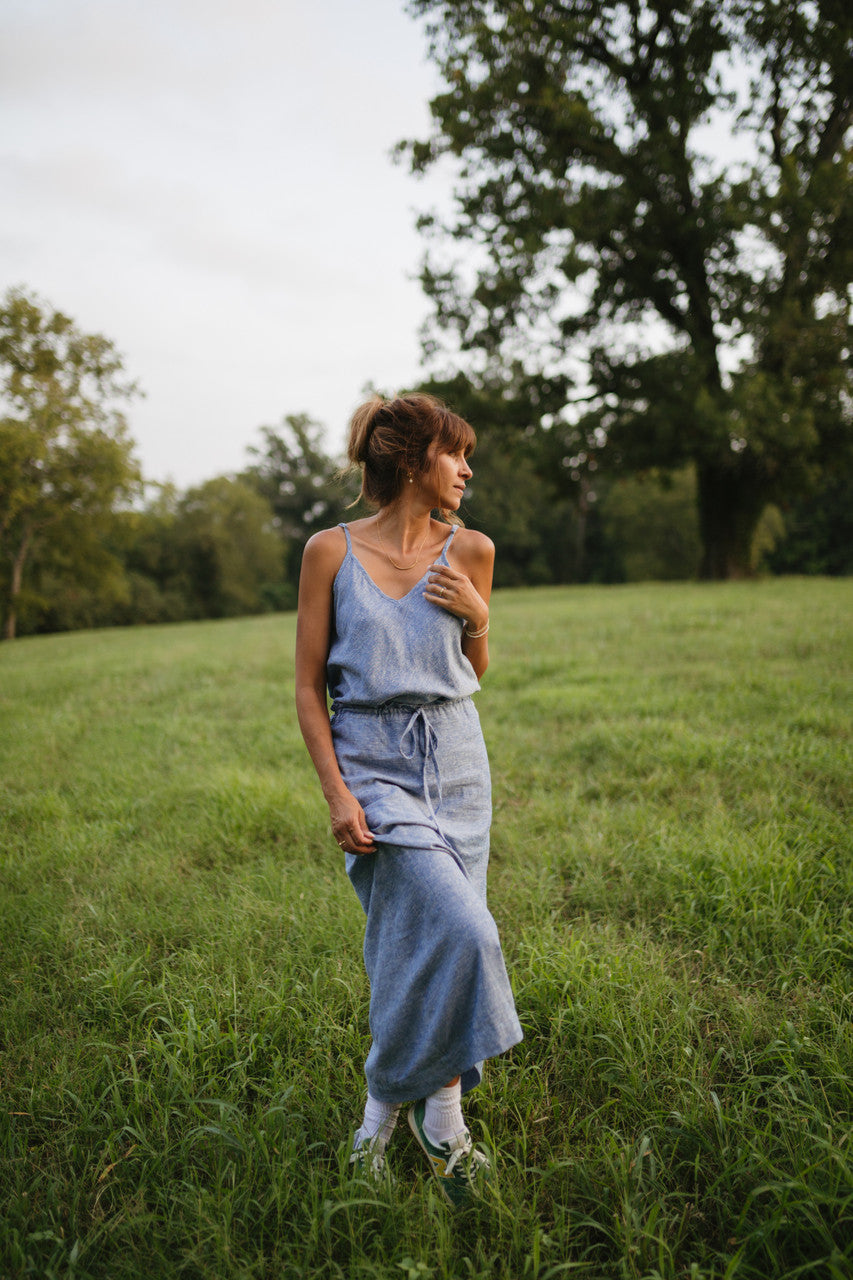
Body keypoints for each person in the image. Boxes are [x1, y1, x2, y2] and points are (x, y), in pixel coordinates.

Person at [294, 392, 522, 1205]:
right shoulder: (329, 551)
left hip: (458, 760)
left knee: (414, 951)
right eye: (454, 454)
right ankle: (445, 1119)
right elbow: (306, 688)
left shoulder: (473, 551)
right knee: (466, 935)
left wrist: (481, 619)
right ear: (411, 460)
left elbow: (473, 673)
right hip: (373, 766)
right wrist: (336, 795)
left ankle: (380, 1121)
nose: (465, 470)